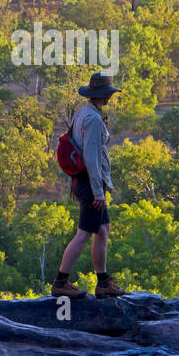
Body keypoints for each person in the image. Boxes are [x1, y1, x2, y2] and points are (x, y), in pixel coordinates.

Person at [52, 73, 126, 299]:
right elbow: (91, 158)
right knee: (84, 234)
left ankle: (103, 282)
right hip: (90, 182)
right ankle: (60, 282)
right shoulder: (93, 119)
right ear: (105, 96)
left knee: (103, 230)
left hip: (84, 180)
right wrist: (98, 192)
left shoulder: (85, 113)